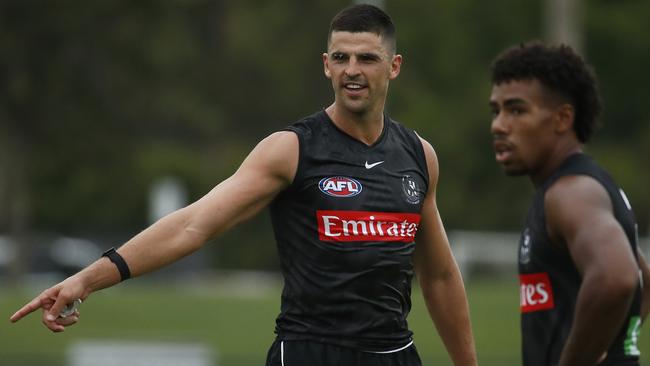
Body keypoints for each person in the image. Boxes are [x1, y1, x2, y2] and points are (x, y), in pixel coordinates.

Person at [10, 4, 477, 365]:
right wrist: (88, 279)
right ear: (326, 66)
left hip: (395, 354)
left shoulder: (419, 156)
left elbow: (438, 275)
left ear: (393, 66)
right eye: (341, 57)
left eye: (367, 58)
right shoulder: (292, 149)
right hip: (309, 352)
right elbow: (194, 225)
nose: (352, 69)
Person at [489, 41, 650, 366]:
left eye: (517, 110)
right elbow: (642, 276)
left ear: (562, 119)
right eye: (497, 110)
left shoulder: (571, 193)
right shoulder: (578, 186)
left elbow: (617, 277)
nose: (499, 125)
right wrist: (608, 342)